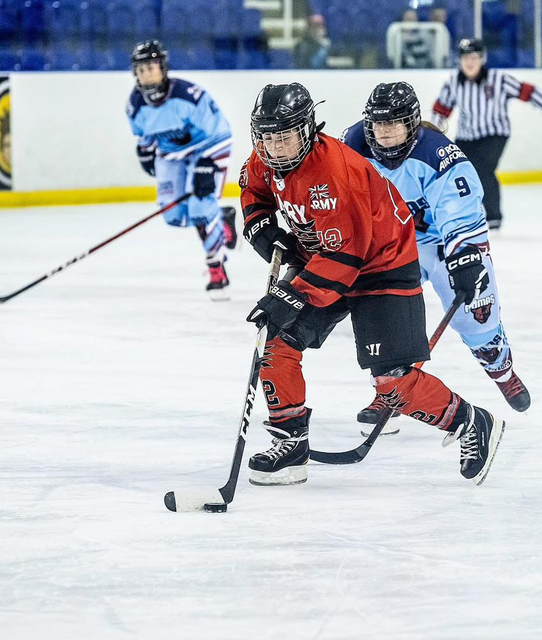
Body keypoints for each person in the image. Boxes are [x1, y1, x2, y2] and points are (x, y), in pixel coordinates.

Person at [240, 82, 506, 487]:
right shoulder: (266, 156)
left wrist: (290, 295)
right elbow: (253, 190)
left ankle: (472, 422)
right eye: (268, 138)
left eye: (286, 137)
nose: (276, 148)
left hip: (382, 265)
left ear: (308, 130)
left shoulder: (333, 174)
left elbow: (344, 258)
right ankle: (290, 443)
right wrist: (261, 228)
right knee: (275, 342)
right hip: (327, 258)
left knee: (393, 380)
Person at [341, 81, 530, 436]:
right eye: (379, 124)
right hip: (391, 245)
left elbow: (459, 212)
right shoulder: (351, 146)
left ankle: (501, 370)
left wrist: (464, 257)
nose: (385, 132)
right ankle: (391, 390)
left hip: (440, 243)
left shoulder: (438, 154)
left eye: (394, 123)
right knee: (383, 315)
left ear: (411, 123)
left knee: (477, 315)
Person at [126, 40, 237, 300]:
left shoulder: (189, 96)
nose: (147, 75)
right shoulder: (135, 104)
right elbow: (144, 134)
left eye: (151, 68)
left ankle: (217, 268)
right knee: (173, 215)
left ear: (163, 68)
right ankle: (221, 219)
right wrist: (145, 151)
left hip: (208, 149)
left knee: (201, 207)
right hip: (171, 155)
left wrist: (208, 164)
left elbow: (220, 131)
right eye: (141, 70)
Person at [432, 38, 542, 229]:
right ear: (459, 60)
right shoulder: (453, 83)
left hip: (495, 134)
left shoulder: (499, 79)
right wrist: (432, 137)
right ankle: (462, 213)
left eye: (474, 57)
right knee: (456, 171)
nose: (470, 62)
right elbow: (441, 111)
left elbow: (528, 92)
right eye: (466, 57)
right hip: (466, 136)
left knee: (483, 169)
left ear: (482, 59)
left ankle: (494, 216)